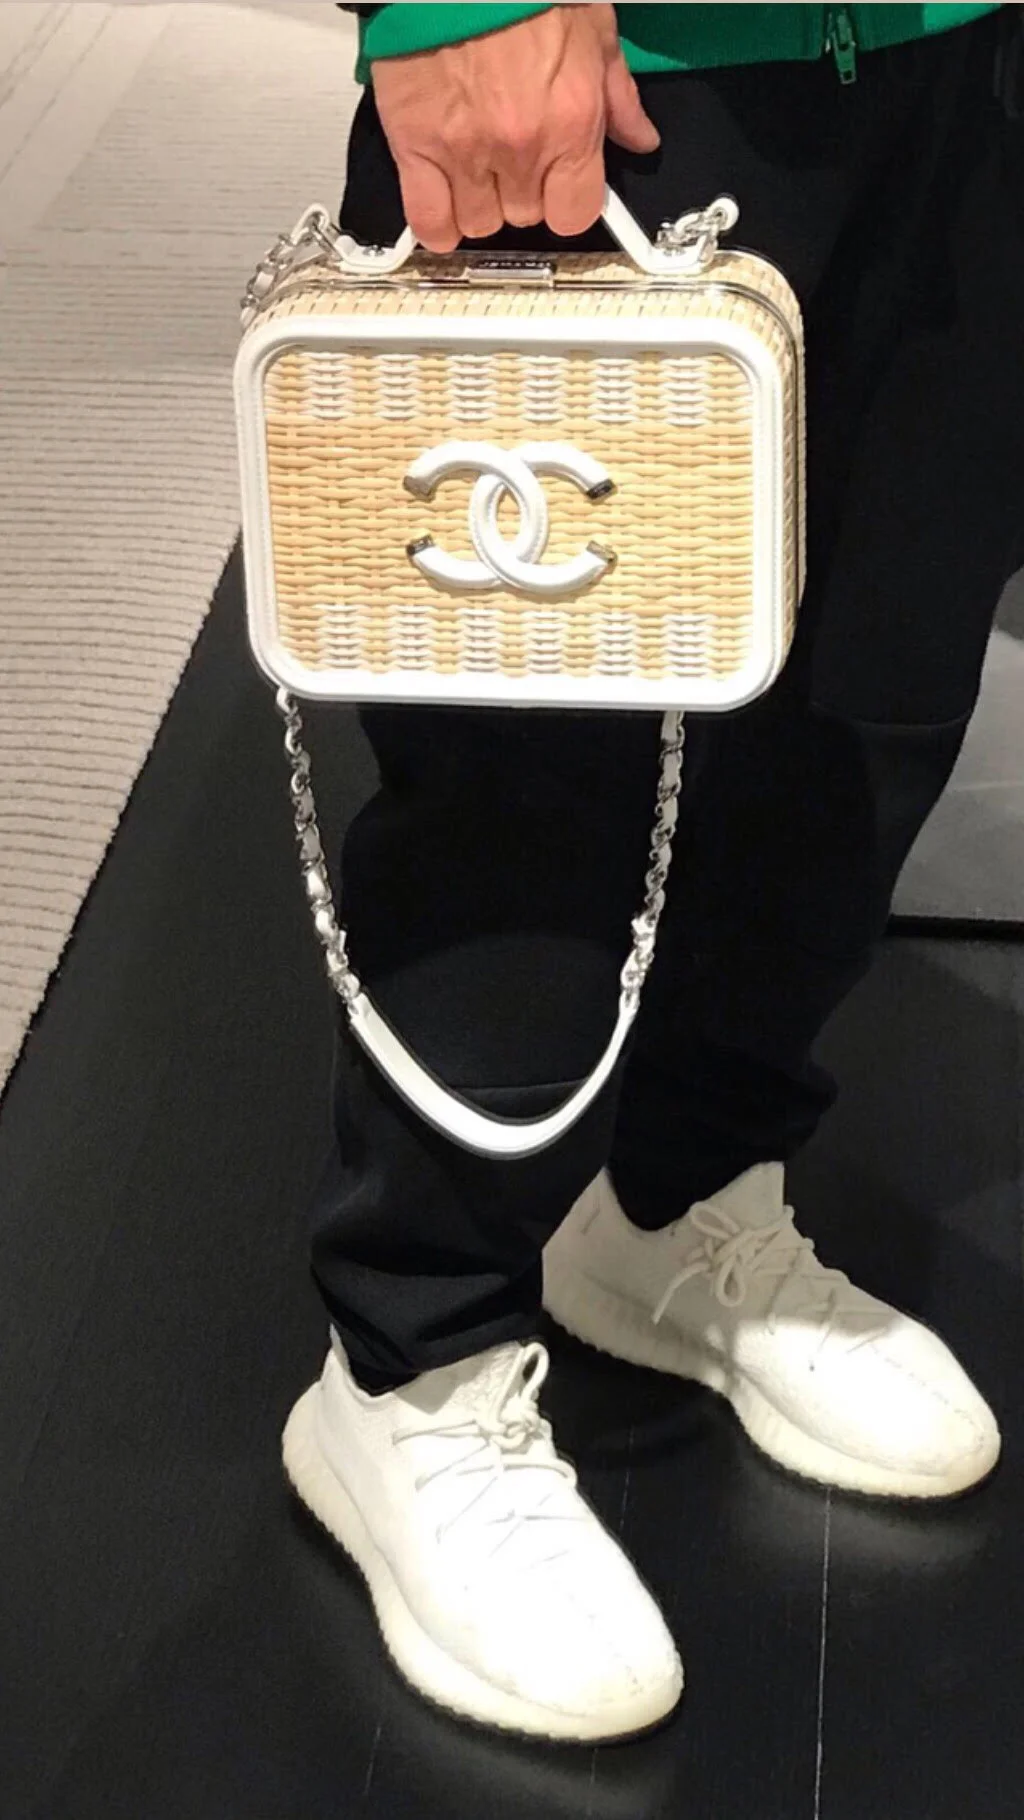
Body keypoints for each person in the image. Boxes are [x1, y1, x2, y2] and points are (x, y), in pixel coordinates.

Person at [282, 3, 1018, 1742]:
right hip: (626, 66)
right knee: (530, 754)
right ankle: (413, 1362)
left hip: (969, 56)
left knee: (871, 693)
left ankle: (681, 1199)